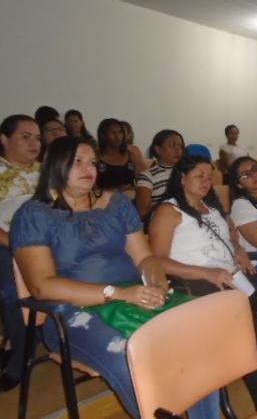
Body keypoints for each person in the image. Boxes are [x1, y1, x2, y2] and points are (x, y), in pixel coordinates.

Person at [10, 136, 219, 419]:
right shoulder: (34, 215)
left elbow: (145, 259)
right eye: (77, 162)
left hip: (134, 296)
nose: (89, 169)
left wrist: (156, 284)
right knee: (132, 358)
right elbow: (42, 285)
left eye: (93, 162)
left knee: (199, 335)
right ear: (55, 165)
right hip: (71, 312)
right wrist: (118, 294)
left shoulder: (116, 203)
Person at [148, 155, 257, 411]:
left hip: (230, 276)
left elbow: (230, 237)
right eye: (199, 176)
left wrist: (238, 250)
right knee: (254, 327)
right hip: (195, 282)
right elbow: (156, 261)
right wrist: (206, 273)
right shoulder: (168, 211)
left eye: (209, 177)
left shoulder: (212, 208)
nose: (206, 181)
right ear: (182, 178)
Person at [0, 114, 41, 391]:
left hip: (47, 245)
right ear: (4, 139)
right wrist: (18, 247)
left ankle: (36, 338)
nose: (34, 143)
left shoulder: (46, 172)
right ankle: (20, 357)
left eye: (37, 137)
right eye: (25, 136)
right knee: (11, 291)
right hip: (7, 246)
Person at [135, 130, 185, 219]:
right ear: (158, 150)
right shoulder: (147, 176)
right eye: (172, 146)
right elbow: (143, 212)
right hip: (162, 220)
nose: (178, 150)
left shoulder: (187, 172)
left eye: (181, 146)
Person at [96, 118, 141, 197]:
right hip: (104, 202)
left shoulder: (131, 155)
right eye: (113, 133)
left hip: (130, 200)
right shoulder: (95, 157)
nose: (118, 136)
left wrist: (132, 189)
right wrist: (116, 190)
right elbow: (91, 189)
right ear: (103, 135)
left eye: (120, 132)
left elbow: (142, 181)